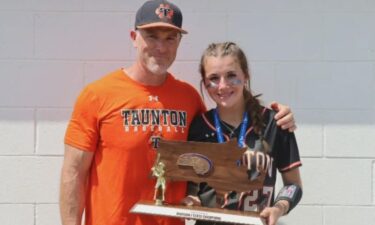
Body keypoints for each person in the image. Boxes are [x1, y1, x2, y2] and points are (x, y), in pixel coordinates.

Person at [59, 1, 297, 225]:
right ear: (134, 38)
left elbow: (220, 140)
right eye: (151, 36)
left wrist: (278, 117)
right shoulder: (97, 95)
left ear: (178, 42)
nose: (161, 47)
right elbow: (73, 172)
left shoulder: (189, 98)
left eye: (170, 38)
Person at [186, 42, 302, 225]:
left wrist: (278, 208)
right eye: (214, 78)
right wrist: (192, 199)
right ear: (205, 83)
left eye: (231, 75)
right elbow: (191, 186)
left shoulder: (275, 122)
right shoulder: (199, 127)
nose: (223, 86)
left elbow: (293, 184)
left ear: (246, 75)